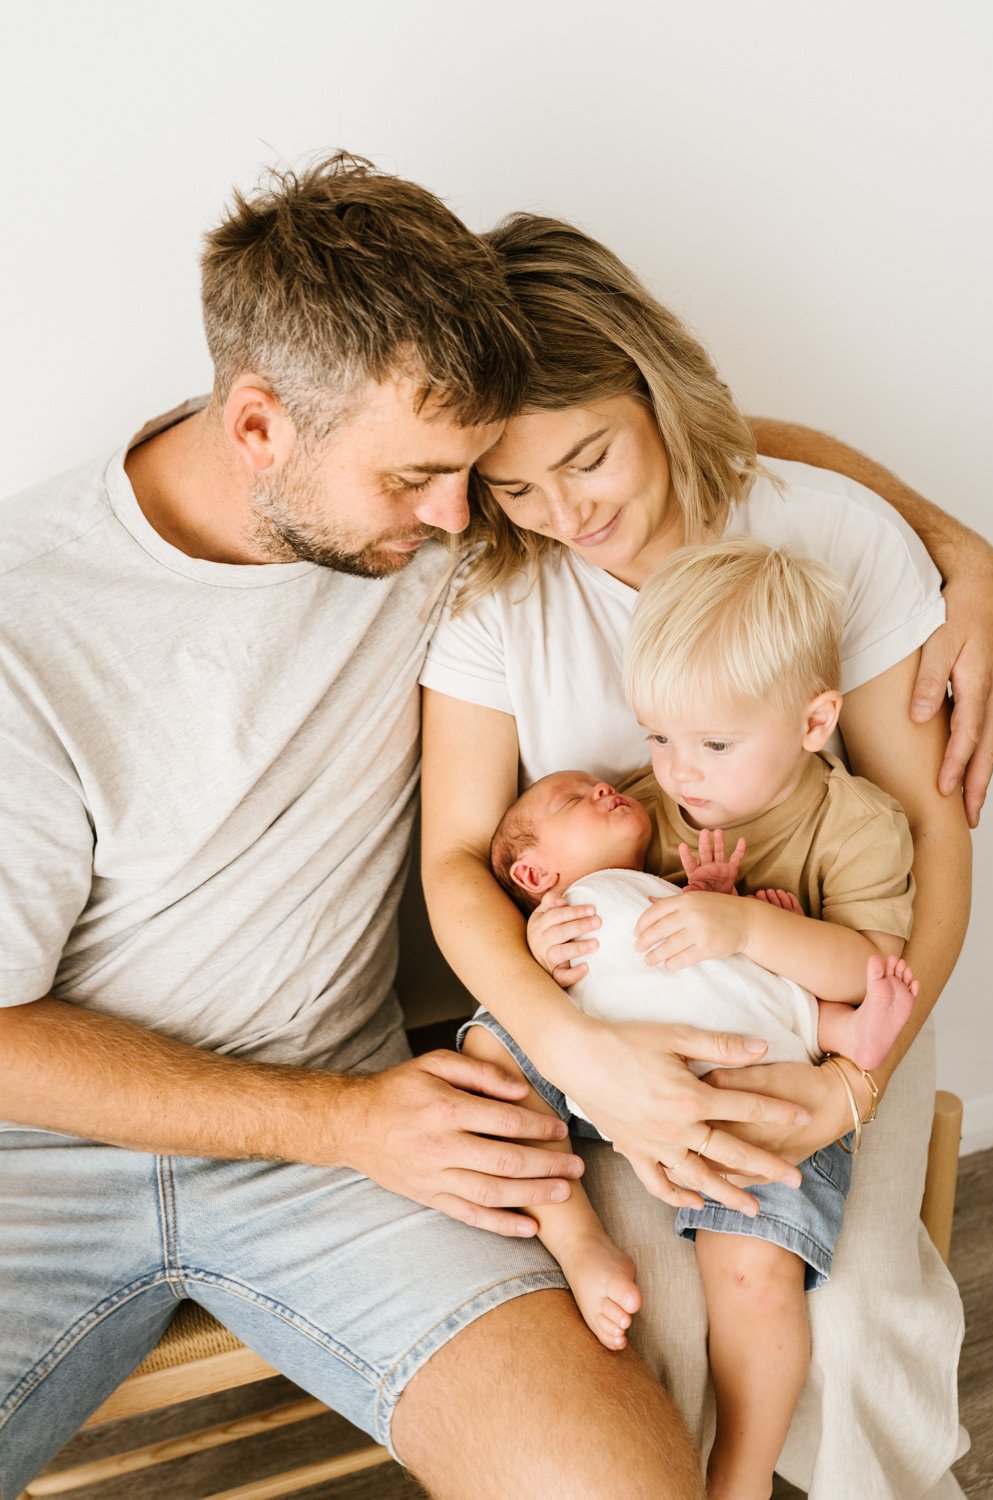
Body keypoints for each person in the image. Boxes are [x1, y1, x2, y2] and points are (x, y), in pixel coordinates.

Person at [1, 153, 750, 1500]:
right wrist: (343, 1126)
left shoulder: (424, 523)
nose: (461, 517)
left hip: (359, 1133)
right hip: (41, 1169)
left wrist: (959, 551)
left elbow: (671, 448)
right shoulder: (27, 628)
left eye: (470, 475)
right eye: (414, 478)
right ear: (257, 429)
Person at [419, 213, 993, 1498]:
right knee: (649, 1327)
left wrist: (853, 1084)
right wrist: (573, 1052)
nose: (564, 513)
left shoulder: (828, 534)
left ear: (652, 389)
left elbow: (930, 848)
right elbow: (454, 865)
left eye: (588, 458)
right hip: (606, 1019)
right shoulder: (495, 594)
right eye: (514, 486)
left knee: (845, 1327)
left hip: (830, 1002)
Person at [462, 537, 921, 1499]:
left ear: (814, 720)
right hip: (622, 1060)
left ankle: (741, 1476)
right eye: (658, 737)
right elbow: (572, 906)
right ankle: (573, 1233)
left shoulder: (857, 826)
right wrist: (545, 944)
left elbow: (868, 970)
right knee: (484, 1047)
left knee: (750, 1271)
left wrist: (743, 924)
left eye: (712, 744)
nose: (677, 772)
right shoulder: (649, 806)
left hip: (761, 1071)